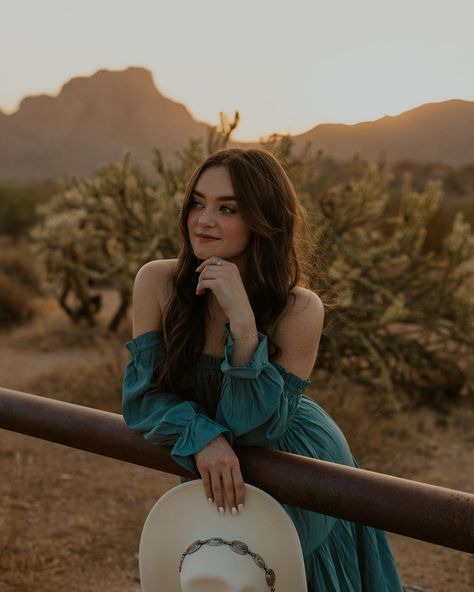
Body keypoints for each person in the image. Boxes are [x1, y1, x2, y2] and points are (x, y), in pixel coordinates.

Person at [122, 148, 403, 591]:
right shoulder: (157, 283)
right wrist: (204, 436)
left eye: (227, 208)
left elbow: (252, 428)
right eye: (197, 202)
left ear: (263, 219)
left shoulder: (300, 309)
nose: (204, 220)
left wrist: (244, 326)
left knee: (279, 573)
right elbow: (141, 397)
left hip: (291, 457)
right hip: (211, 460)